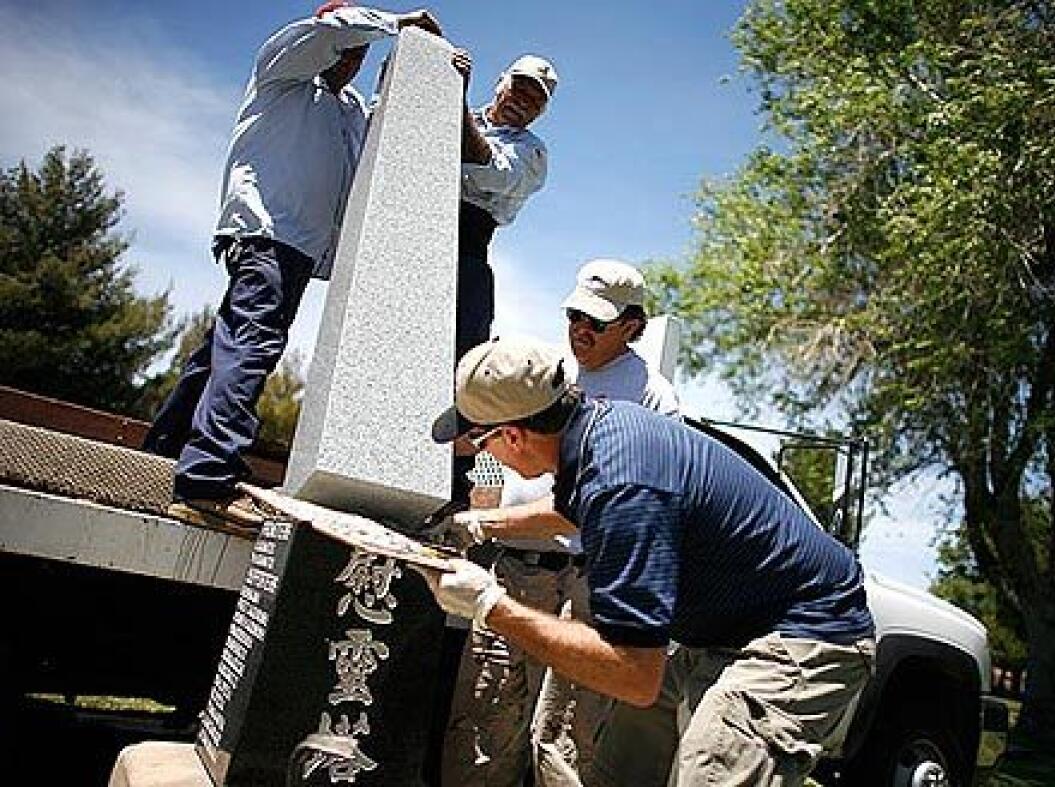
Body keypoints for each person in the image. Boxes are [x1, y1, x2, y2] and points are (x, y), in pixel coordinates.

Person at [422, 336, 877, 786]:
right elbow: (569, 512)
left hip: (805, 632)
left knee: (710, 769)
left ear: (514, 436)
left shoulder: (622, 485)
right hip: (724, 629)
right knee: (619, 769)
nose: (481, 453)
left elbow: (634, 673)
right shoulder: (599, 430)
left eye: (480, 441)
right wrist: (479, 524)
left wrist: (490, 605)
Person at [142, 2, 442, 528]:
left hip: (298, 247)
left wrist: (434, 79)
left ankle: (165, 450)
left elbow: (375, 147)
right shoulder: (282, 69)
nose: (350, 59)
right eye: (346, 48)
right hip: (266, 233)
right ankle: (206, 483)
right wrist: (398, 25)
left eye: (360, 55)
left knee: (227, 346)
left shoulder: (346, 107)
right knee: (252, 343)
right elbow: (333, 31)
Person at [440, 260, 680, 786]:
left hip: (588, 578)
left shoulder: (652, 395)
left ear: (633, 326)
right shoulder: (549, 372)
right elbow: (481, 446)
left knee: (564, 736)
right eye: (575, 315)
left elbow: (603, 507)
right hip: (516, 568)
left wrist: (483, 525)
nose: (581, 330)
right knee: (483, 715)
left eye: (597, 322)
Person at [450, 52, 558, 505]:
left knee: (464, 371)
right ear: (498, 83)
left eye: (534, 98)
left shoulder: (531, 152)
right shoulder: (460, 114)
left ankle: (452, 485)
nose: (522, 100)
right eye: (518, 87)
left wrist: (450, 98)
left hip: (468, 252)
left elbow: (491, 169)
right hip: (414, 233)